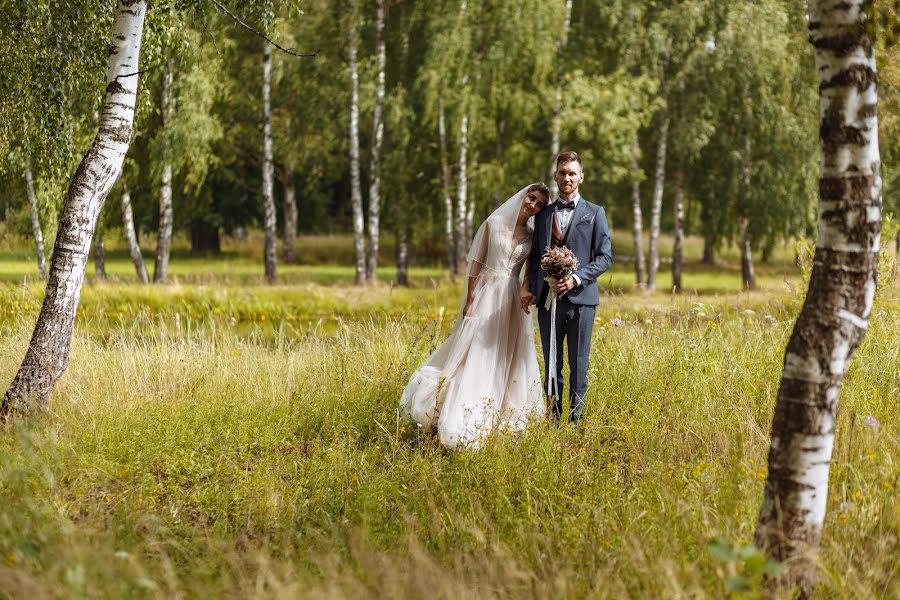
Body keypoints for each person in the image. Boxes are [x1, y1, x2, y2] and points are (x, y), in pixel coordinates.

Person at [401, 184, 550, 449]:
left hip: (512, 297)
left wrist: (526, 290)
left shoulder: (531, 234)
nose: (533, 205)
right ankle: (458, 411)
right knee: (476, 351)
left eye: (539, 204)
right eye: (532, 198)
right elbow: (476, 263)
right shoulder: (493, 223)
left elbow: (528, 270)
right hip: (487, 294)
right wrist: (470, 298)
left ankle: (501, 414)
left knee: (507, 354)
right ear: (522, 196)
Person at [522, 152, 612, 424]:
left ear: (581, 177)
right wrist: (531, 287)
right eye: (562, 173)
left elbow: (605, 257)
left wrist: (575, 279)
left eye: (572, 173)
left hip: (582, 301)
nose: (567, 178)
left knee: (579, 364)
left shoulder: (595, 213)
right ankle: (553, 418)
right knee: (552, 363)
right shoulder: (543, 214)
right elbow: (535, 255)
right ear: (555, 177)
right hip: (548, 302)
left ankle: (576, 422)